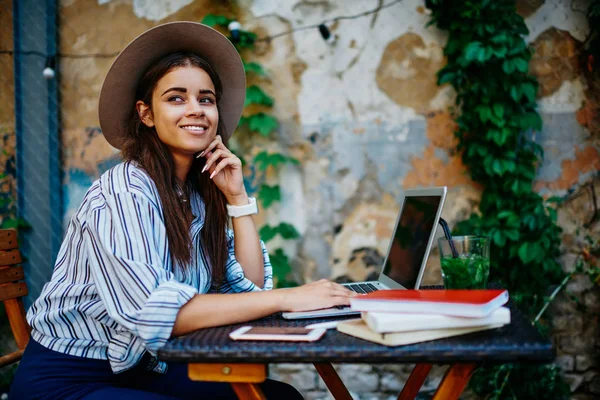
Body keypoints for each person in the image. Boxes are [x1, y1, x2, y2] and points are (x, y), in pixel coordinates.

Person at [9, 22, 356, 400]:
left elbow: (249, 287)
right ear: (146, 114)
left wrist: (238, 200)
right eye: (176, 98)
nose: (196, 110)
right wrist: (289, 297)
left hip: (144, 368)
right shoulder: (122, 193)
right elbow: (154, 313)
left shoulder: (194, 194)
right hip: (69, 379)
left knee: (279, 397)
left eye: (206, 99)